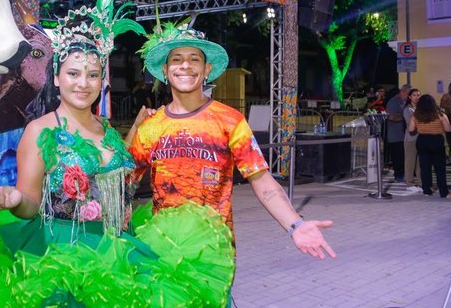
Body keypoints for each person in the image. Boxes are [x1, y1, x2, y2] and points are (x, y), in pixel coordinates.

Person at [0, 0, 236, 307]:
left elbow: (119, 186)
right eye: (73, 73)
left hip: (119, 255)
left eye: (92, 75)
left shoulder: (109, 131)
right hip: (65, 260)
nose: (83, 83)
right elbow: (31, 203)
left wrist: (141, 133)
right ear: (57, 78)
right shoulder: (40, 130)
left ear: (101, 81)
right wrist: (17, 200)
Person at [129, 21, 336, 266]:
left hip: (214, 253)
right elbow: (124, 181)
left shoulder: (231, 120)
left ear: (206, 69)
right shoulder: (151, 126)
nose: (185, 65)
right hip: (161, 252)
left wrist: (295, 225)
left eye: (194, 59)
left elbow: (262, 181)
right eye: (177, 59)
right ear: (165, 70)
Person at [408, 94, 451, 198]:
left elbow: (410, 129)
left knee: (425, 167)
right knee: (440, 168)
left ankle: (427, 190)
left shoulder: (416, 115)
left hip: (422, 140)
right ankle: (444, 193)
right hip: (437, 141)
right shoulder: (440, 114)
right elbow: (448, 129)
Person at [385, 85, 411, 182]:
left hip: (405, 135)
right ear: (402, 91)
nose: (409, 96)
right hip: (395, 135)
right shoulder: (393, 102)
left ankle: (406, 174)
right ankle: (398, 175)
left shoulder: (406, 102)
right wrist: (405, 117)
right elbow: (391, 117)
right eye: (408, 94)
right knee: (398, 157)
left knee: (405, 156)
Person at [402, 88, 421, 188]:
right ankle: (409, 182)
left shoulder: (420, 108)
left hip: (420, 138)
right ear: (410, 97)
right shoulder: (408, 109)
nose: (416, 97)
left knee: (419, 162)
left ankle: (421, 181)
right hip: (411, 139)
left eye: (418, 95)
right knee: (410, 162)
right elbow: (411, 124)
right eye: (414, 95)